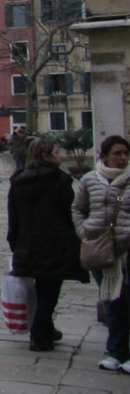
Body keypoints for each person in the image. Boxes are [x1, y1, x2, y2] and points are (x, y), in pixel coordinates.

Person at [7, 138, 89, 351]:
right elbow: (70, 214)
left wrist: (14, 243)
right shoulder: (59, 181)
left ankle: (47, 328)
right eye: (57, 152)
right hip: (54, 244)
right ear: (46, 156)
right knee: (49, 292)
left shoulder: (18, 182)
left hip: (26, 244)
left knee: (42, 289)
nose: (61, 155)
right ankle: (39, 336)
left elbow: (13, 218)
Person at [72, 134, 130, 372]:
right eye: (117, 153)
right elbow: (78, 208)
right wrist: (83, 231)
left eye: (126, 153)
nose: (123, 158)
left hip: (127, 250)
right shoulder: (90, 180)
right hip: (100, 250)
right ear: (104, 155)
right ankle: (116, 351)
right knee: (113, 302)